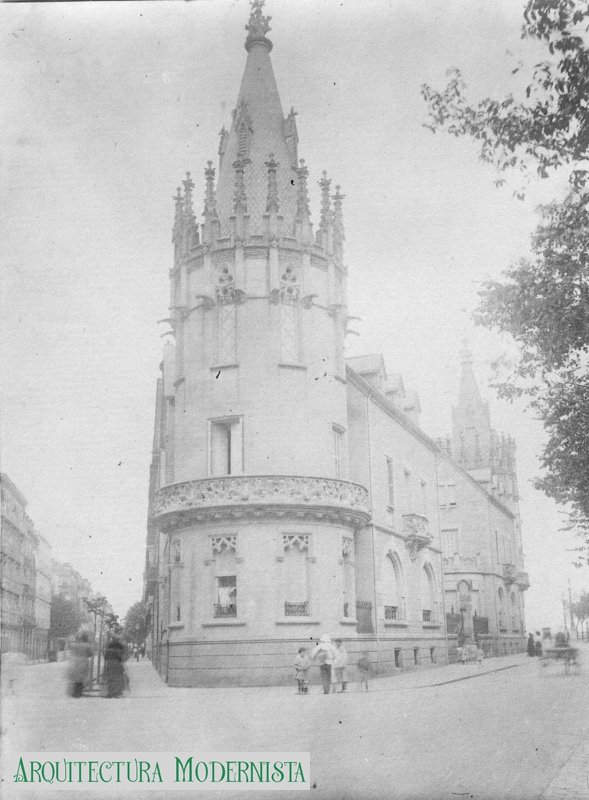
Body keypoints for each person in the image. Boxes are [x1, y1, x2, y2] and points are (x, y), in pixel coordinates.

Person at [67, 632, 93, 698]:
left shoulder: (75, 645)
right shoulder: (87, 645)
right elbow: (90, 654)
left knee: (75, 678)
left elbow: (70, 649)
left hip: (75, 662)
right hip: (83, 662)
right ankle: (78, 692)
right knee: (81, 678)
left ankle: (74, 691)